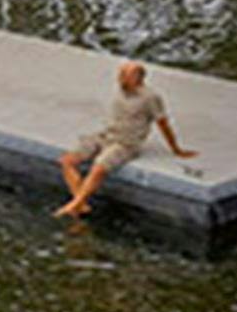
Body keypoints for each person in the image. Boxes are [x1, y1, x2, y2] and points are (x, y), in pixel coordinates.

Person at [54, 60, 196, 218]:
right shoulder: (122, 91)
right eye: (120, 74)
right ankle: (80, 205)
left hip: (126, 143)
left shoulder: (150, 98)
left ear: (138, 78)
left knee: (98, 168)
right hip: (107, 135)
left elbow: (163, 124)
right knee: (67, 161)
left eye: (125, 75)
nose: (120, 78)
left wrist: (176, 149)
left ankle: (73, 205)